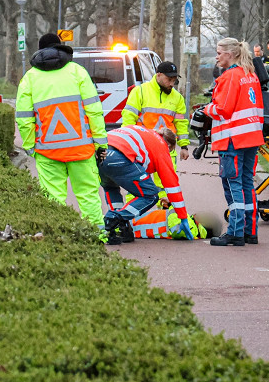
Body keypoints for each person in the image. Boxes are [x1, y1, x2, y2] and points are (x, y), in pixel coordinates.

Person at [16, 32, 108, 235]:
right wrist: (101, 143)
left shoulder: (29, 78)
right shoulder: (77, 72)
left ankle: (57, 239)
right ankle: (97, 237)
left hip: (48, 151)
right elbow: (94, 110)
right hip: (81, 149)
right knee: (88, 196)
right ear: (60, 48)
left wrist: (31, 147)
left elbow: (24, 118)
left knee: (52, 198)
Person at [203, 37, 264, 246]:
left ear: (231, 54)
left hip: (232, 138)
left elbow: (223, 109)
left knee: (233, 184)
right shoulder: (250, 75)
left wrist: (206, 109)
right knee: (247, 183)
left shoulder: (230, 76)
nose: (217, 56)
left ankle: (236, 232)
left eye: (220, 52)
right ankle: (250, 231)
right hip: (251, 136)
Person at [99, 125, 193, 245]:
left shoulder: (145, 133)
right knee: (151, 195)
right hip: (120, 157)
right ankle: (115, 217)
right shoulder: (161, 146)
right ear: (169, 145)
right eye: (171, 150)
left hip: (101, 155)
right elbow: (172, 185)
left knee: (111, 187)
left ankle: (117, 228)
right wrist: (182, 216)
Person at [121, 61, 190, 166]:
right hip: (143, 146)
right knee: (141, 181)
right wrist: (127, 142)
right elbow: (128, 118)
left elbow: (181, 123)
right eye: (169, 80)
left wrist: (184, 146)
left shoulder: (177, 97)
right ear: (159, 75)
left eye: (174, 80)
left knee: (167, 182)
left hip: (167, 148)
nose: (172, 84)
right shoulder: (140, 91)